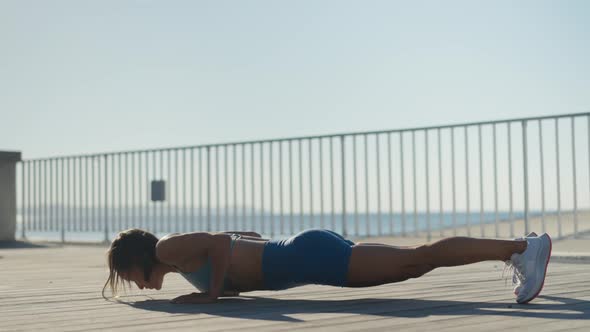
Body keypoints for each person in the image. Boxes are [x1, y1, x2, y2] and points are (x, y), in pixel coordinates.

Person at [102, 228, 551, 305]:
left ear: (134, 259)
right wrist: (221, 286)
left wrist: (213, 294)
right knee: (417, 262)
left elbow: (222, 242)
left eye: (124, 275)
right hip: (306, 255)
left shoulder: (165, 248)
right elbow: (239, 238)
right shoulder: (178, 263)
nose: (129, 283)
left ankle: (520, 249)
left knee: (420, 258)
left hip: (308, 257)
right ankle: (520, 248)